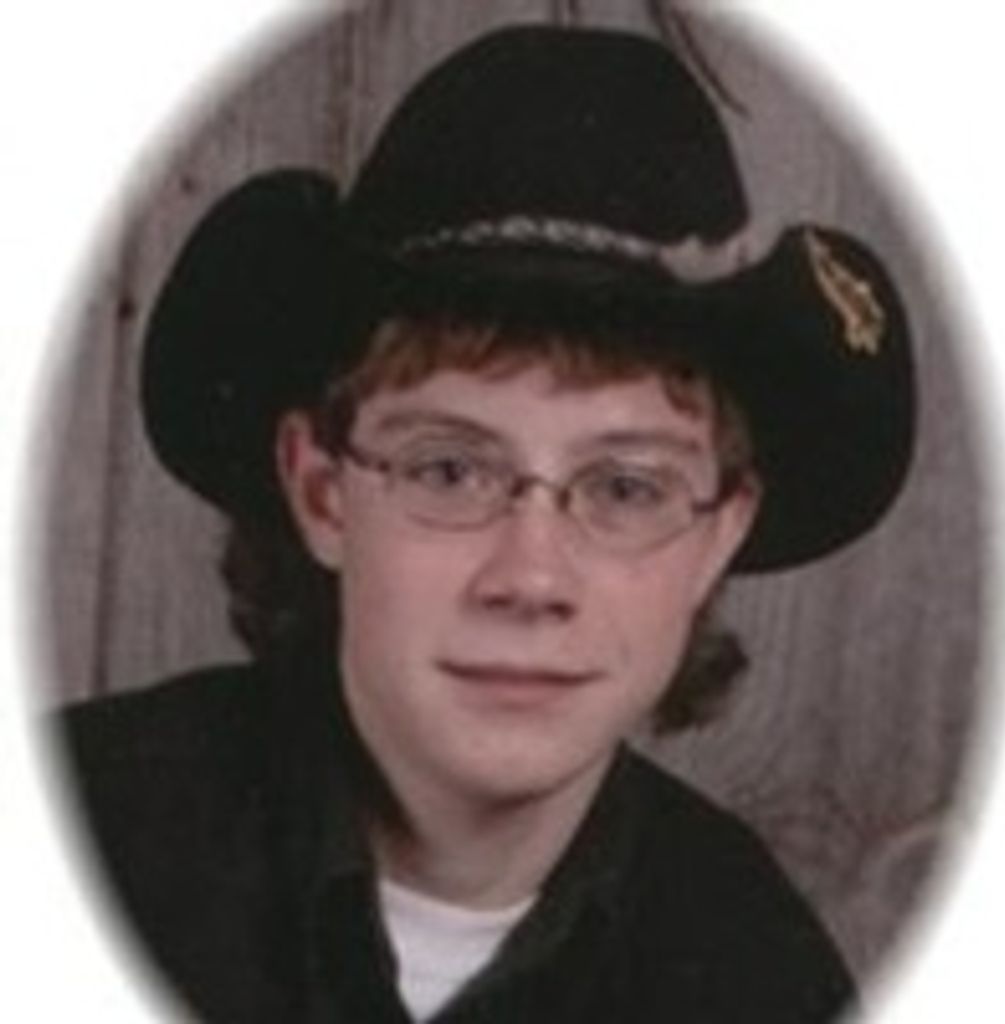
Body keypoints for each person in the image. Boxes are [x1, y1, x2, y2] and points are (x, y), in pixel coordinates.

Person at [58, 24, 914, 1024]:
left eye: (625, 488)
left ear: (718, 533)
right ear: (322, 493)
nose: (531, 578)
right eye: (450, 470)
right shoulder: (65, 843)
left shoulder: (762, 980)